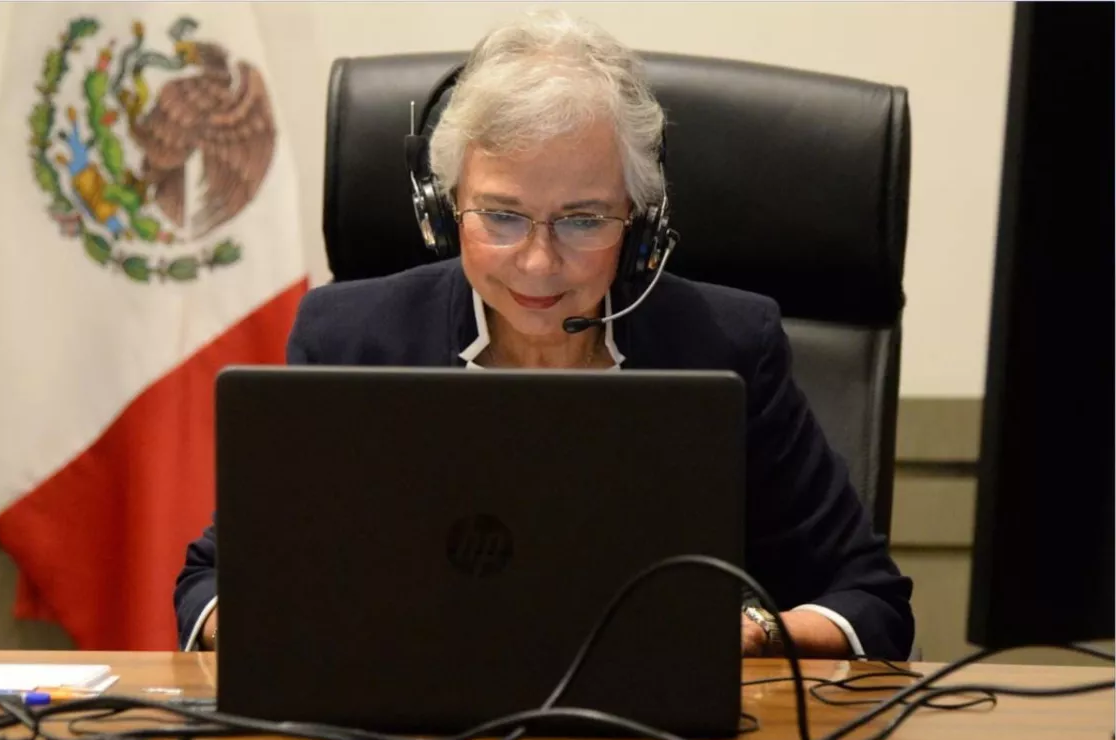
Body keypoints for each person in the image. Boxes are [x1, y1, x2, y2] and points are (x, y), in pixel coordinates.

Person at [175, 10, 915, 660]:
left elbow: (871, 601)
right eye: (501, 216)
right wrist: (271, 630)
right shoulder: (347, 342)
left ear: (641, 222)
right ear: (443, 213)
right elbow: (213, 581)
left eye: (583, 219)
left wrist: (756, 634)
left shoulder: (727, 346)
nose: (537, 261)